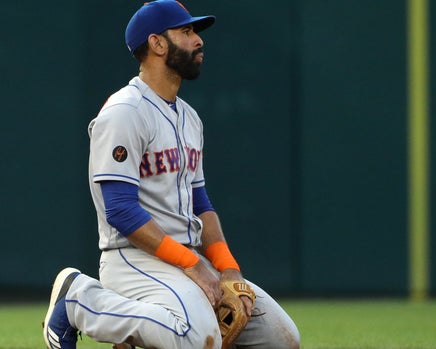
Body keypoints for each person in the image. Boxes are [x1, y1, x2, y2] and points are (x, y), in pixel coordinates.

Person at [42, 1, 300, 348]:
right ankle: (79, 300)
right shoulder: (125, 112)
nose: (198, 40)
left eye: (195, 31)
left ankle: (144, 337)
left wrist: (228, 268)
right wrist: (194, 264)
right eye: (187, 31)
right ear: (158, 44)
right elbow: (119, 209)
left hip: (188, 256)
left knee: (281, 341)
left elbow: (200, 203)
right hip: (133, 258)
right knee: (198, 338)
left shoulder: (190, 118)